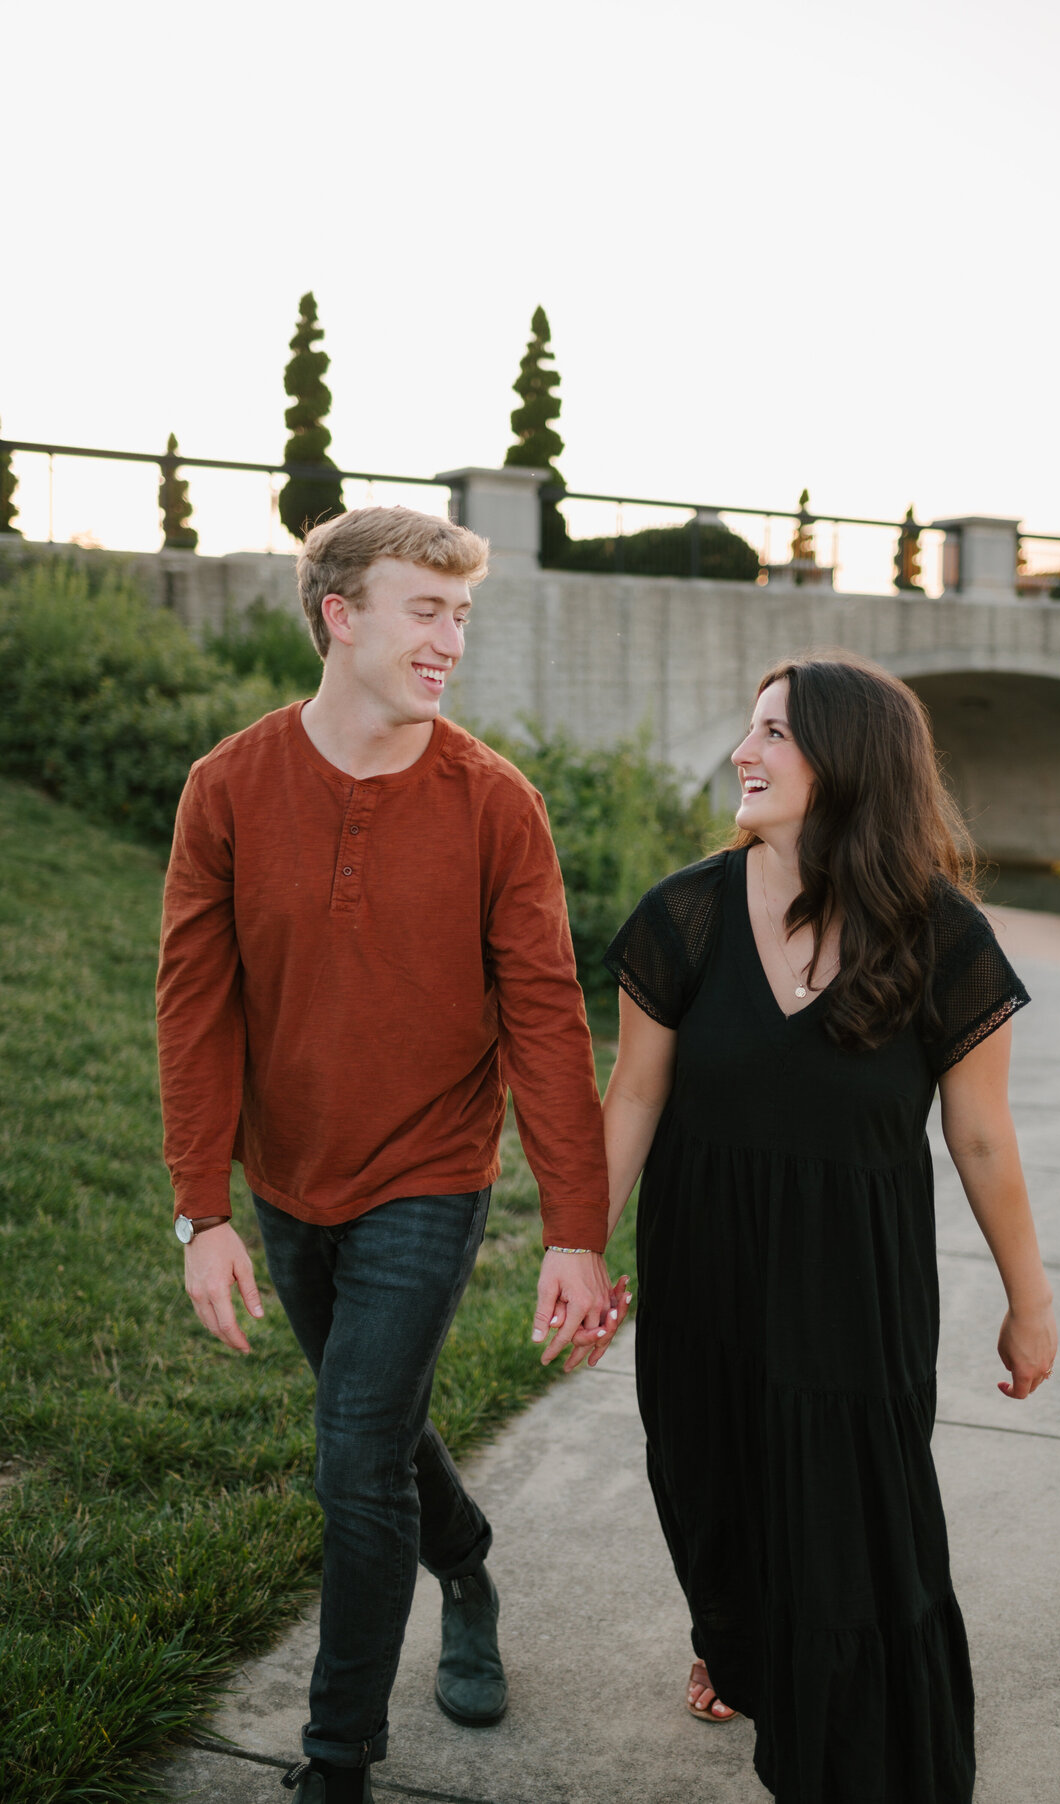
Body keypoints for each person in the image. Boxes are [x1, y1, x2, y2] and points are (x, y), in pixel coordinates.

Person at [156, 505, 621, 1804]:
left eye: (463, 616)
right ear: (339, 614)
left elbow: (545, 1016)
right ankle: (465, 1559)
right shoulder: (228, 789)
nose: (451, 642)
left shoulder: (495, 806)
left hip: (431, 1169)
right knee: (381, 1427)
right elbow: (194, 1006)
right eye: (428, 611)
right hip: (285, 1172)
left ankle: (334, 1761)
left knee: (354, 1449)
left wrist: (574, 1230)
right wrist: (203, 1212)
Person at [600, 653, 1058, 1803]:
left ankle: (861, 1757)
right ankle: (740, 1644)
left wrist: (1030, 1300)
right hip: (705, 1270)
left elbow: (984, 1137)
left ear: (852, 760)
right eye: (751, 728)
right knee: (713, 1488)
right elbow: (637, 1098)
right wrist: (578, 1246)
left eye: (777, 733)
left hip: (855, 1288)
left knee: (859, 1533)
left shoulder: (941, 938)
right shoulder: (685, 914)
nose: (746, 752)